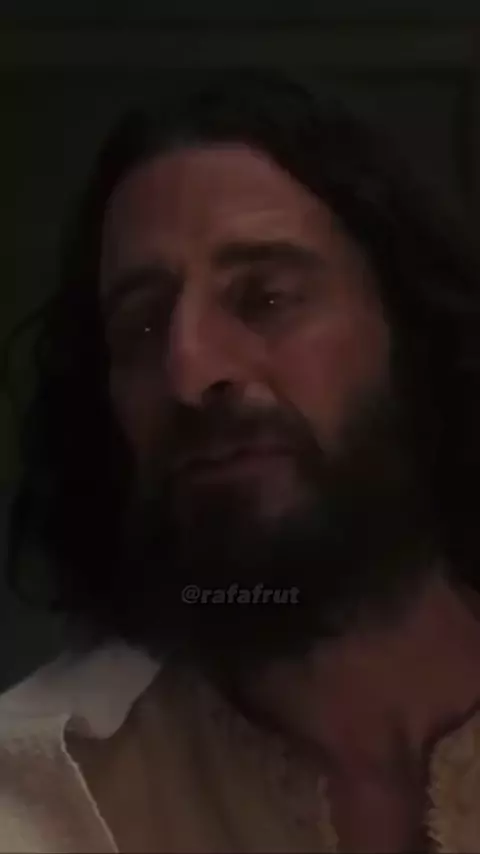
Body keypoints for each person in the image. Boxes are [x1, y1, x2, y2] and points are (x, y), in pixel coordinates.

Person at [1, 69, 480, 853]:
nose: (188, 372)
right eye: (142, 328)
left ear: (412, 331)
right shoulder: (32, 806)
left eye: (266, 298)